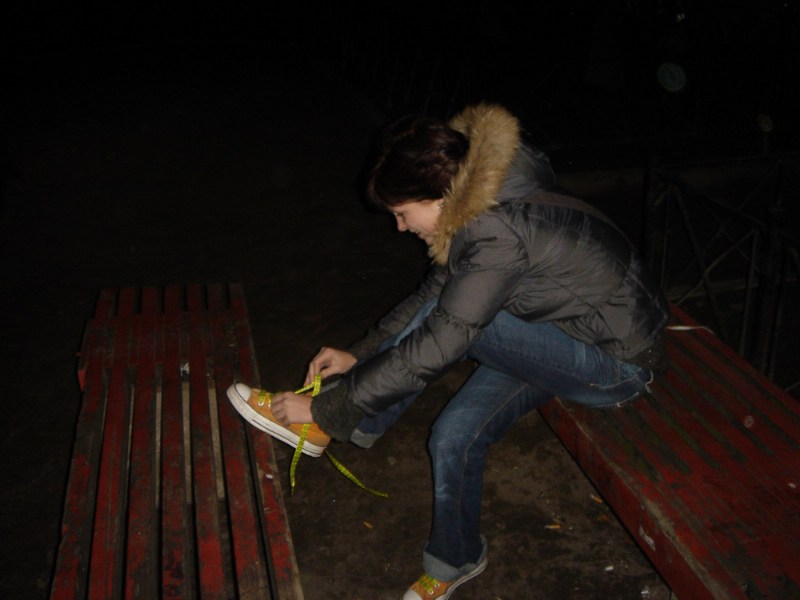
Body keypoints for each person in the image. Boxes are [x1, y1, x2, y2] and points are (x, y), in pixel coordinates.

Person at [228, 102, 670, 599]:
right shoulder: (477, 205)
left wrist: (331, 406)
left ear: (437, 196)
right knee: (452, 436)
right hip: (550, 334)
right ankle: (455, 558)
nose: (400, 227)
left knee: (457, 329)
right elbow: (437, 293)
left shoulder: (496, 230)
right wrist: (362, 353)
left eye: (401, 213)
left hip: (614, 362)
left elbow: (443, 336)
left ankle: (329, 423)